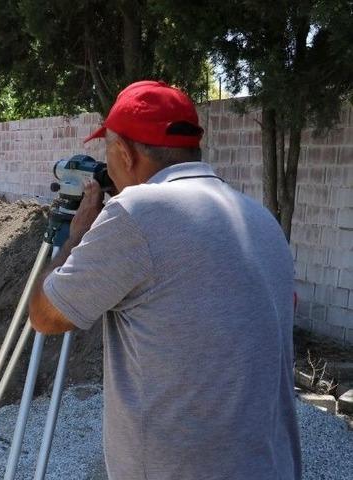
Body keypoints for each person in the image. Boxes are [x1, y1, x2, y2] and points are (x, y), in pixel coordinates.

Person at [29, 80, 300, 480]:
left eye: (108, 151)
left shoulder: (136, 212)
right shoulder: (257, 217)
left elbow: (45, 315)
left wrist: (75, 239)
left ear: (124, 151)